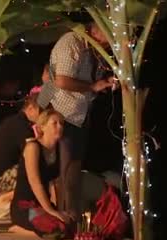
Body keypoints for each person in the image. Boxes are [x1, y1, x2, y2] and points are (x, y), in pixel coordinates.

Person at [36, 23, 114, 218]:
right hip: (63, 112)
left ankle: (69, 212)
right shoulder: (71, 42)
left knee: (73, 166)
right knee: (67, 168)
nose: (108, 45)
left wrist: (101, 84)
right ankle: (66, 214)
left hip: (78, 113)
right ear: (95, 32)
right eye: (107, 39)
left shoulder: (89, 49)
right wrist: (93, 86)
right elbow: (61, 80)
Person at [0, 93, 41, 219]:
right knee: (33, 169)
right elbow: (31, 156)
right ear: (31, 108)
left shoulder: (13, 121)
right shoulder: (21, 126)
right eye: (41, 111)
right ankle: (2, 200)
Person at [10, 109, 74, 239]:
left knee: (70, 226)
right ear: (42, 127)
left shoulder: (59, 149)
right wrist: (50, 210)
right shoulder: (32, 147)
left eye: (61, 123)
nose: (59, 127)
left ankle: (40, 227)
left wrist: (60, 210)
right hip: (24, 205)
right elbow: (35, 182)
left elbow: (58, 182)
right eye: (54, 123)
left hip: (42, 205)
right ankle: (18, 229)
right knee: (56, 231)